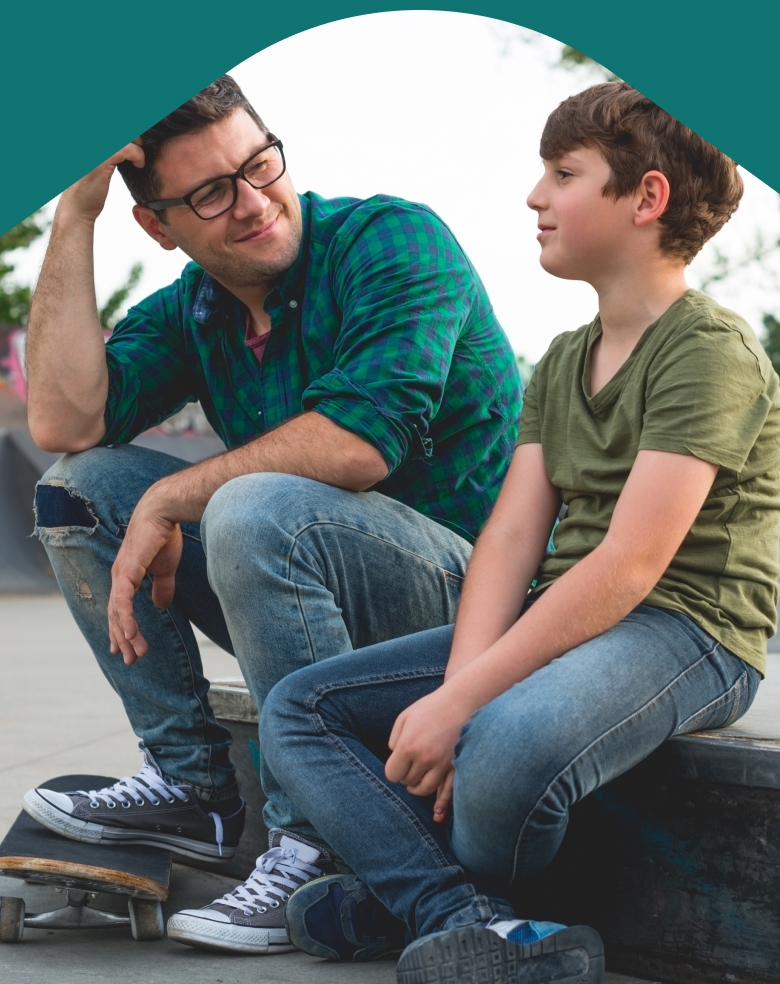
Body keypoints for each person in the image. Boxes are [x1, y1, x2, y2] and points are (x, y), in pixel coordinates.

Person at [255, 81, 780, 983]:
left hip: (688, 628)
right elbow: (510, 539)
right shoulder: (566, 359)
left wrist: (465, 712)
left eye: (563, 172)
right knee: (299, 709)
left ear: (646, 198)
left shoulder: (710, 352)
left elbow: (631, 563)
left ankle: (406, 897)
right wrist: (462, 688)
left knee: (500, 750)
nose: (535, 195)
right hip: (568, 615)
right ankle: (466, 918)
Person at [21, 75, 521, 953]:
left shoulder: (391, 241)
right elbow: (63, 422)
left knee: (252, 503)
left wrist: (176, 498)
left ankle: (315, 841)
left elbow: (361, 445)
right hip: (309, 587)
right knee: (81, 485)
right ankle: (192, 788)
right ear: (158, 226)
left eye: (260, 164)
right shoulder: (196, 310)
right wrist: (74, 216)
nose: (254, 202)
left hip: (477, 608)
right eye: (212, 193)